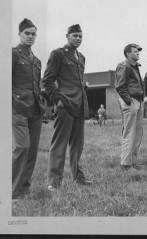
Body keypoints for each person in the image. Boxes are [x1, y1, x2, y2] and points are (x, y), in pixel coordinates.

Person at [43, 24, 91, 191]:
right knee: (59, 144)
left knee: (78, 145)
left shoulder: (82, 57)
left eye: (80, 36)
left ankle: (79, 178)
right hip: (66, 105)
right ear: (67, 36)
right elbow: (47, 81)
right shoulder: (58, 54)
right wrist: (58, 100)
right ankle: (54, 182)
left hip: (80, 105)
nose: (78, 38)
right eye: (75, 35)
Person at [12, 18, 44, 199]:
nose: (31, 36)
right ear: (19, 34)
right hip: (18, 108)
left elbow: (36, 86)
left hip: (35, 109)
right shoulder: (13, 54)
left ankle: (24, 189)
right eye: (27, 33)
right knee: (22, 147)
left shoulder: (37, 61)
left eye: (33, 34)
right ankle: (13, 190)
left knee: (32, 150)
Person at [115, 43, 145, 169]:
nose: (138, 53)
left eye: (138, 51)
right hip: (131, 101)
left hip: (137, 101)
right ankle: (126, 164)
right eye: (135, 51)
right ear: (128, 54)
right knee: (129, 133)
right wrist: (128, 101)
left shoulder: (135, 66)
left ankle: (132, 161)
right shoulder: (125, 66)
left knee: (138, 133)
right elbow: (120, 86)